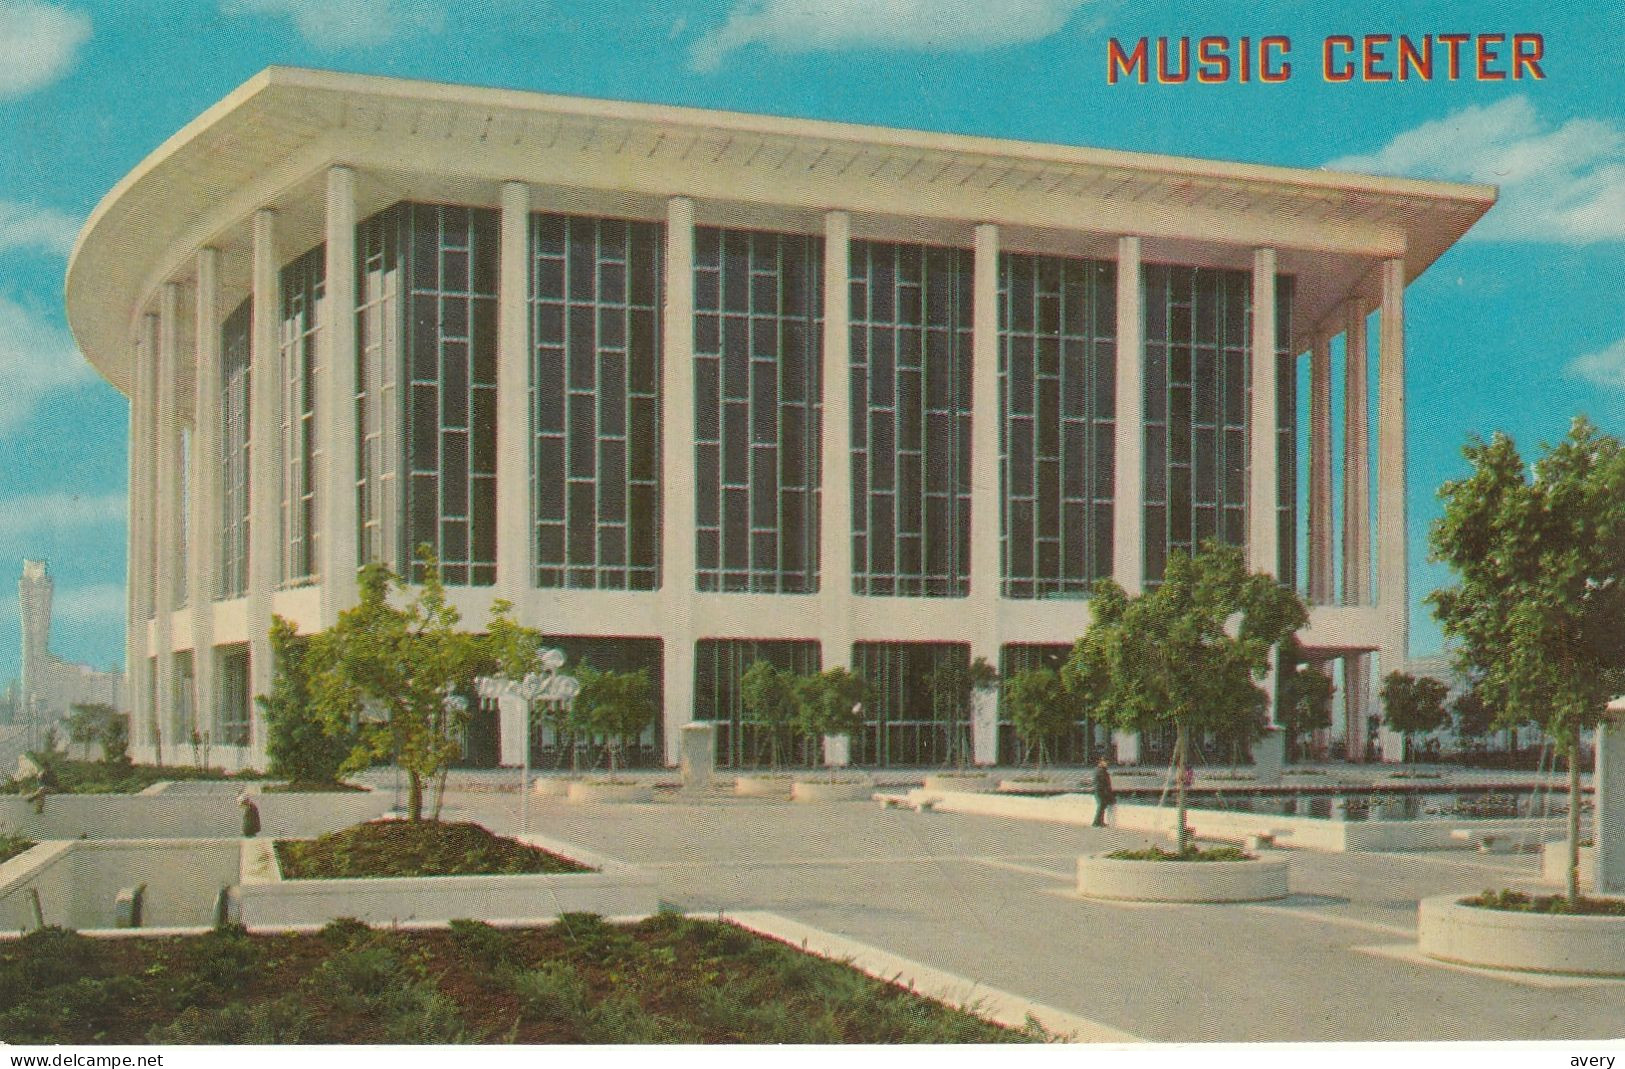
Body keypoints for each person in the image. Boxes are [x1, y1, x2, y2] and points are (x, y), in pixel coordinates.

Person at [1091, 757, 1115, 827]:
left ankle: (1100, 822)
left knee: (1102, 806)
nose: (1107, 763)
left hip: (1101, 791)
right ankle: (1096, 823)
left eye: (1107, 762)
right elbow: (1102, 782)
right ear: (1101, 762)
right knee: (1101, 806)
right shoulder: (1100, 771)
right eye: (1105, 762)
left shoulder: (1102, 770)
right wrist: (1106, 791)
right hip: (1100, 791)